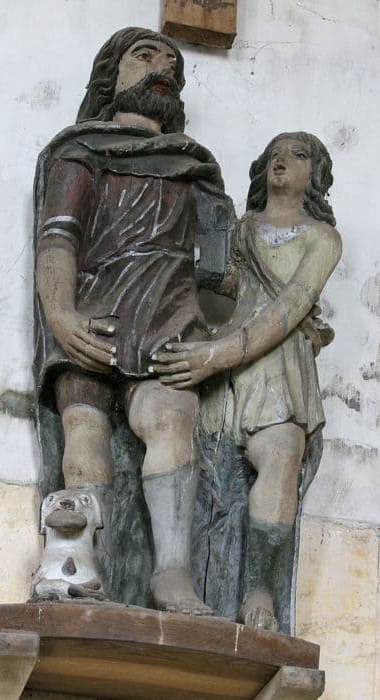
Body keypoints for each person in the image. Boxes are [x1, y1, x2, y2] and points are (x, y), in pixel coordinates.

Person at [33, 27, 233, 614]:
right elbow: (58, 239)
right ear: (111, 76)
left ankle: (171, 574)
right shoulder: (82, 151)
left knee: (170, 420)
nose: (162, 67)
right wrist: (61, 315)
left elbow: (223, 270)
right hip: (93, 316)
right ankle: (79, 564)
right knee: (84, 427)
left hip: (168, 317)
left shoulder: (194, 170)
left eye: (172, 63)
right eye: (145, 56)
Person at [153, 132, 342, 629]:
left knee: (281, 453)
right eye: (274, 153)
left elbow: (290, 308)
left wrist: (215, 355)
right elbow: (229, 283)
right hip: (226, 368)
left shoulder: (321, 238)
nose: (282, 160)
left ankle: (259, 590)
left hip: (277, 364)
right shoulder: (241, 230)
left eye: (298, 154)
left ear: (315, 175)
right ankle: (186, 582)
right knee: (204, 472)